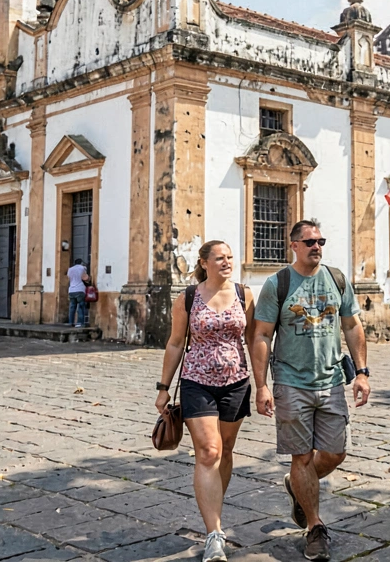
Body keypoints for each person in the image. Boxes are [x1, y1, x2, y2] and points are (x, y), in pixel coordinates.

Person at [251, 220, 370, 562]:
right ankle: (315, 527)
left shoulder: (337, 279)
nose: (316, 246)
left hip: (332, 381)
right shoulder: (278, 284)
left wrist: (361, 373)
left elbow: (351, 324)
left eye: (321, 241)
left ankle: (298, 485)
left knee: (335, 453)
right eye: (309, 242)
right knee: (301, 457)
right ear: (294, 246)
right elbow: (261, 336)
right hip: (291, 383)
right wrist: (262, 385)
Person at [155, 241, 255, 562]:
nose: (227, 262)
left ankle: (215, 512)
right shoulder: (188, 298)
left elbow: (255, 339)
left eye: (230, 256)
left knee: (225, 450)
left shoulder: (244, 294)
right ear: (204, 262)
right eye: (220, 258)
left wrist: (264, 383)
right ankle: (214, 534)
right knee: (209, 451)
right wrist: (163, 387)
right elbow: (174, 344)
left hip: (236, 383)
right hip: (196, 383)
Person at [66, 257, 90, 327]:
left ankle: (70, 322)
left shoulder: (70, 269)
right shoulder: (82, 268)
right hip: (80, 289)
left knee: (72, 307)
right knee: (81, 306)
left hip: (71, 290)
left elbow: (69, 278)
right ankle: (80, 323)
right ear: (81, 262)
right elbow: (85, 278)